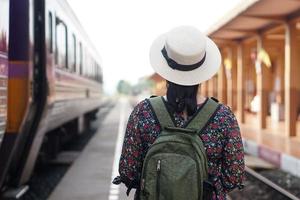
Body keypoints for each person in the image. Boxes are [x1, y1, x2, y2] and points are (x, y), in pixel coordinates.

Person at [114, 26, 245, 200]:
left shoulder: (143, 112)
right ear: (202, 71)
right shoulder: (223, 117)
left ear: (166, 70)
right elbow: (234, 176)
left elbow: (128, 171)